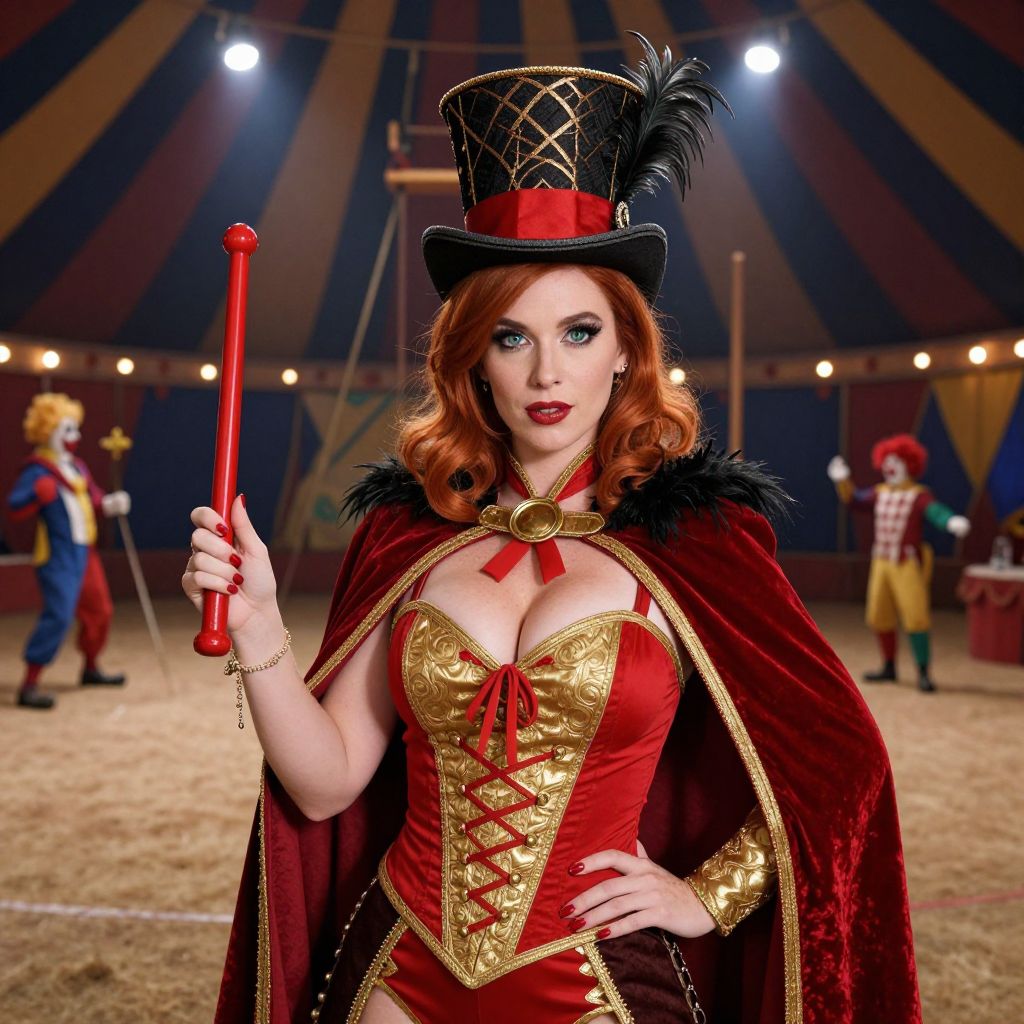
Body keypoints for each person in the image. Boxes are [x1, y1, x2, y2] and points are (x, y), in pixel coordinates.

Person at [184, 36, 920, 1024]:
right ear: (471, 358)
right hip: (399, 974)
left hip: (598, 984)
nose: (545, 374)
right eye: (510, 336)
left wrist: (708, 896)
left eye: (578, 332)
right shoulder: (409, 538)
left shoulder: (694, 544)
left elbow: (842, 764)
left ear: (624, 351)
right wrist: (261, 628)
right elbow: (323, 787)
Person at [7, 393, 130, 709]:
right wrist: (37, 494)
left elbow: (94, 499)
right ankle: (29, 684)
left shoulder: (77, 467)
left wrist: (111, 503)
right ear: (48, 431)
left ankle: (91, 667)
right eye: (68, 429)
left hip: (86, 553)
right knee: (59, 615)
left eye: (76, 429)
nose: (75, 436)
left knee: (100, 611)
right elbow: (15, 508)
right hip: (57, 556)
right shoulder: (37, 471)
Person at [828, 434, 971, 692]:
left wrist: (950, 521)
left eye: (895, 461)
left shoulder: (918, 495)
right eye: (887, 461)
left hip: (906, 564)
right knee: (878, 615)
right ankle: (889, 666)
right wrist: (842, 481)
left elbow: (935, 511)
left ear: (910, 465)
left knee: (916, 617)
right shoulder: (880, 492)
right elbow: (855, 500)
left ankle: (923, 672)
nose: (889, 466)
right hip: (881, 563)